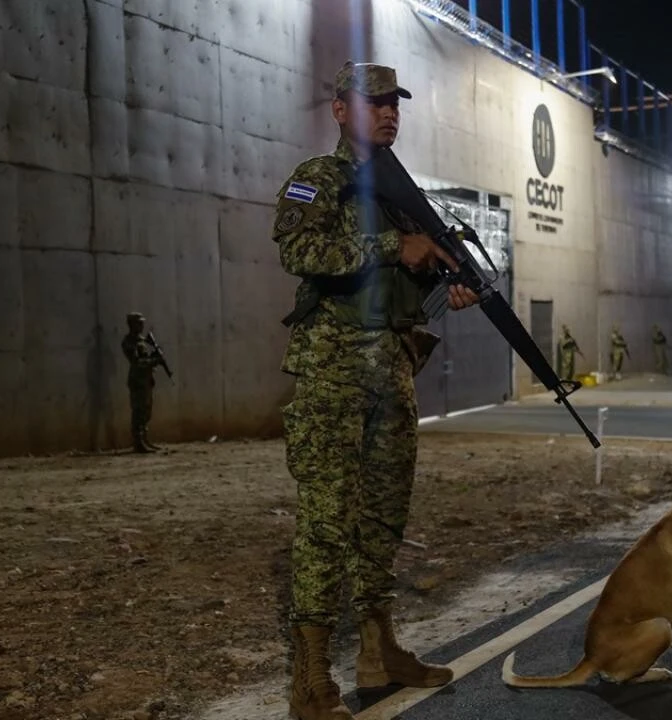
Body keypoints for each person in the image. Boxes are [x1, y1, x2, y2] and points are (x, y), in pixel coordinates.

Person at [272, 60, 480, 720]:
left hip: (390, 367)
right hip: (332, 372)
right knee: (328, 523)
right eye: (374, 101)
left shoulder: (401, 192)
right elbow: (301, 254)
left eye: (395, 102)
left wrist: (447, 286)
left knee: (383, 520)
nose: (388, 112)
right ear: (340, 110)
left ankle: (378, 649)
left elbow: (399, 283)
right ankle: (309, 682)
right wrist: (395, 245)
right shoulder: (318, 179)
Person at [121, 313, 164, 452]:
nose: (141, 326)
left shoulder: (142, 340)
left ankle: (144, 439)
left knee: (146, 411)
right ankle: (138, 442)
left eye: (141, 323)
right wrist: (154, 361)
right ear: (131, 324)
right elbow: (137, 362)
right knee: (138, 411)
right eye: (138, 323)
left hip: (146, 379)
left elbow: (145, 358)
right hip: (137, 381)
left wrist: (156, 356)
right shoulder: (129, 342)